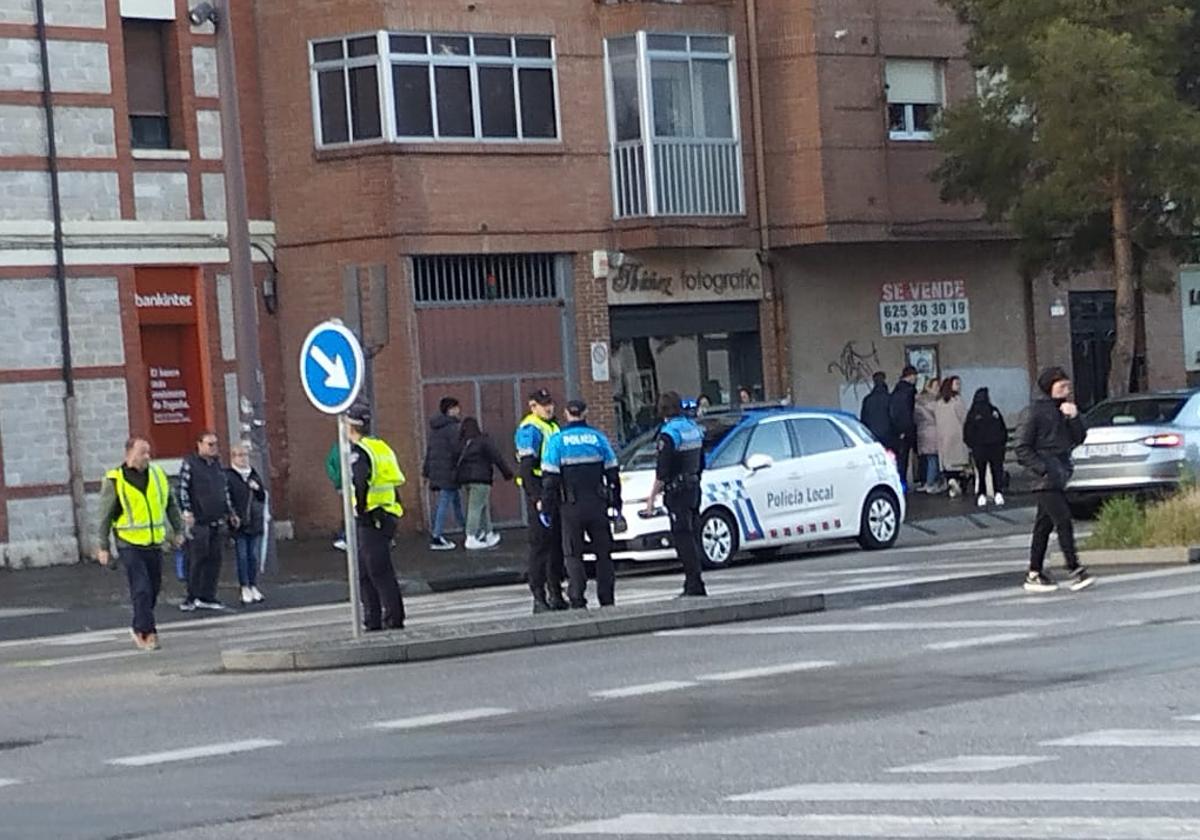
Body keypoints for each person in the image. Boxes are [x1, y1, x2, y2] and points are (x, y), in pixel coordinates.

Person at [97, 437, 184, 650]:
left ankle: (140, 623)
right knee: (141, 588)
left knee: (153, 588)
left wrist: (177, 531)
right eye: (142, 452)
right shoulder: (115, 479)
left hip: (154, 542)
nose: (147, 457)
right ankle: (145, 631)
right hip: (129, 543)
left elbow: (170, 504)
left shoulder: (157, 475)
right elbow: (105, 515)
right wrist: (103, 546)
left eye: (148, 452)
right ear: (129, 453)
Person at [1015, 367, 1095, 593]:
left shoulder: (1063, 410)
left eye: (1068, 387)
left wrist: (1075, 418)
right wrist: (1043, 469)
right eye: (1061, 387)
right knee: (1063, 520)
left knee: (1043, 525)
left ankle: (1034, 572)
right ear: (1048, 387)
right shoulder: (1034, 412)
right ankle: (1075, 569)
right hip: (1045, 477)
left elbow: (1078, 438)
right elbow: (1021, 446)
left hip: (1059, 473)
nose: (1066, 391)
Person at [542, 400, 622, 610]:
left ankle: (577, 597)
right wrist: (616, 503)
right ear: (585, 413)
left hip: (571, 506)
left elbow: (550, 480)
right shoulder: (598, 438)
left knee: (573, 554)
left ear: (567, 414)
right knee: (603, 554)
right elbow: (613, 474)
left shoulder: (557, 441)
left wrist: (547, 509)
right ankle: (607, 598)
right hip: (597, 504)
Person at [346, 404, 407, 630]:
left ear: (351, 426)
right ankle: (372, 619)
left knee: (377, 570)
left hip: (372, 517)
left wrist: (360, 509)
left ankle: (393, 617)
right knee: (365, 571)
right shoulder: (381, 447)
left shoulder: (360, 451)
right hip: (386, 514)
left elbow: (361, 481)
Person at [645, 391, 707, 598]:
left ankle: (694, 584)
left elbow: (662, 471)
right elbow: (702, 462)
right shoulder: (694, 428)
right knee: (694, 535)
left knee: (682, 538)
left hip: (677, 491)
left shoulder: (669, 434)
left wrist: (651, 498)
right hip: (694, 488)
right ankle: (696, 581)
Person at [515, 389, 567, 612]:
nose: (549, 408)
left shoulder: (552, 426)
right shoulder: (530, 428)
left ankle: (555, 592)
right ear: (532, 406)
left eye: (550, 403)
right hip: (540, 491)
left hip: (553, 491)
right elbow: (526, 468)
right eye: (543, 404)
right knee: (540, 546)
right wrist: (536, 498)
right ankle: (539, 596)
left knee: (555, 545)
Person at [178, 431, 238, 611]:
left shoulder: (217, 466)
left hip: (217, 519)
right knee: (196, 559)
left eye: (215, 444)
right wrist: (186, 511)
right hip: (199, 520)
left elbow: (224, 490)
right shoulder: (191, 464)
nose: (214, 448)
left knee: (215, 559)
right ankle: (191, 596)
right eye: (210, 444)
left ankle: (208, 595)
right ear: (199, 445)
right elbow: (182, 488)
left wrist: (230, 512)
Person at [456, 417, 513, 550]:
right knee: (476, 508)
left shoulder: (462, 443)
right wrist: (507, 473)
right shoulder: (483, 441)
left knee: (482, 506)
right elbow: (497, 457)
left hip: (465, 480)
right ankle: (471, 537)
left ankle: (488, 533)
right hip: (481, 478)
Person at [227, 443, 267, 604]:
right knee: (242, 556)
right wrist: (232, 515)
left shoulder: (253, 474)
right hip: (240, 523)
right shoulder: (229, 476)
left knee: (253, 556)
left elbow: (262, 497)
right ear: (233, 458)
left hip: (254, 522)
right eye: (240, 455)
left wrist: (257, 488)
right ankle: (244, 586)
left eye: (245, 455)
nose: (244, 459)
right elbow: (227, 498)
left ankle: (253, 585)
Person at [423, 397, 465, 551]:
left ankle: (466, 529)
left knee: (454, 501)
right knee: (446, 501)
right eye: (456, 407)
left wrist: (426, 470)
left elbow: (430, 451)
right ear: (451, 409)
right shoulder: (453, 427)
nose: (459, 410)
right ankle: (437, 536)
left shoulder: (435, 429)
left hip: (438, 470)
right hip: (449, 470)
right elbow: (457, 449)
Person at [963, 387, 1008, 508]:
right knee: (996, 471)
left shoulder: (972, 413)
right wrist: (1001, 443)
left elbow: (967, 432)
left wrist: (971, 445)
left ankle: (981, 495)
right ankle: (998, 493)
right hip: (996, 447)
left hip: (979, 448)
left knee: (981, 472)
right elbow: (1002, 430)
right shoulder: (994, 412)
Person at [933, 376, 970, 497]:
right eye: (957, 384)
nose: (959, 387)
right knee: (960, 464)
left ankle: (951, 482)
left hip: (943, 436)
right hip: (957, 436)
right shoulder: (957, 400)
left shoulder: (938, 403)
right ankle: (958, 483)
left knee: (947, 464)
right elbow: (964, 417)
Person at [889, 366, 919, 490]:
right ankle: (904, 483)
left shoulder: (896, 390)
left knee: (900, 458)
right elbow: (908, 412)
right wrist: (907, 429)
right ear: (911, 376)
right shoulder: (909, 391)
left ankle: (901, 482)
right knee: (906, 458)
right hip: (907, 429)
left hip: (897, 430)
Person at [914, 377, 942, 492]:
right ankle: (931, 483)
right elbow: (938, 417)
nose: (938, 389)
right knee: (933, 459)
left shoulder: (917, 401)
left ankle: (926, 482)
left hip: (922, 432)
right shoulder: (934, 402)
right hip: (934, 432)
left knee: (927, 459)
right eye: (936, 386)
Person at [860, 371, 894, 449]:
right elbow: (894, 416)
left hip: (872, 435)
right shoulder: (889, 398)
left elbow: (864, 419)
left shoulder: (867, 399)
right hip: (888, 435)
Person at [325, 440, 346, 551]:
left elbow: (329, 465)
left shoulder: (337, 448)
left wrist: (337, 480)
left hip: (343, 484)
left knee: (349, 510)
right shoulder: (338, 448)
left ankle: (347, 536)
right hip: (346, 484)